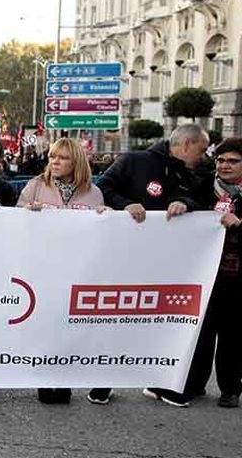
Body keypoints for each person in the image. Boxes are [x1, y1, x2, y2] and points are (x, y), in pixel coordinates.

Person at [94, 123, 209, 406]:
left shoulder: (197, 172)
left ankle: (161, 383)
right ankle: (102, 382)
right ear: (185, 145)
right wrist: (126, 204)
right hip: (125, 257)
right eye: (202, 150)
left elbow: (202, 200)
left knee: (163, 321)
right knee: (120, 317)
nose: (205, 156)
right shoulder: (135, 161)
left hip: (168, 262)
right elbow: (103, 188)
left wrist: (185, 201)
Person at [17, 137, 108, 405]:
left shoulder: (93, 192)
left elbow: (102, 232)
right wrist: (27, 212)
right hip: (41, 268)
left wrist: (106, 217)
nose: (54, 161)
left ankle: (65, 380)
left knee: (70, 326)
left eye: (62, 157)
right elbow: (15, 220)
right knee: (46, 325)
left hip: (77, 270)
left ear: (76, 161)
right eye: (53, 156)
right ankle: (45, 380)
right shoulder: (35, 186)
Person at [166, 138, 242, 409]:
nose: (224, 165)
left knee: (233, 335)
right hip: (205, 274)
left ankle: (231, 388)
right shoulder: (206, 183)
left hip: (236, 276)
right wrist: (183, 204)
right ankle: (196, 384)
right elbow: (189, 197)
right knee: (201, 331)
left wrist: (239, 224)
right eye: (221, 160)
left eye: (233, 161)